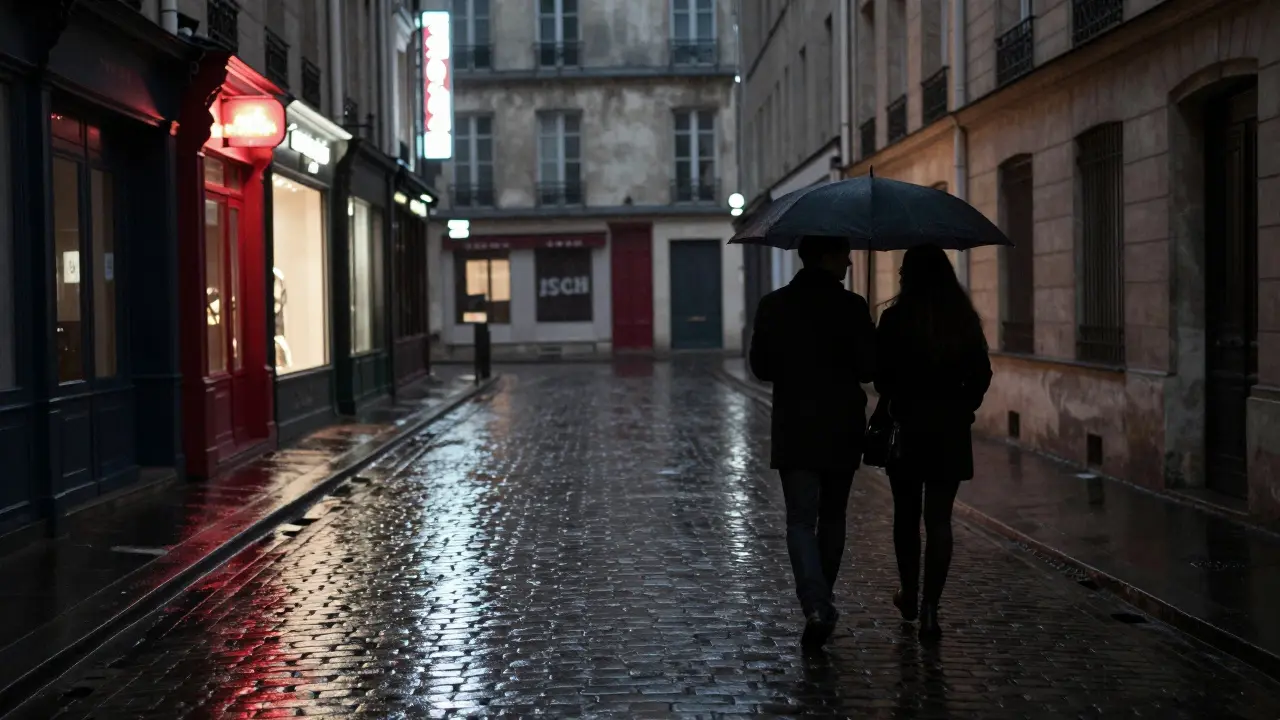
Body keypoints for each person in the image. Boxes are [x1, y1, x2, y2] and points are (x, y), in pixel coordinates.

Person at [749, 235, 876, 649]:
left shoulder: (774, 305)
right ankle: (821, 600)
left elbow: (761, 367)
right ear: (826, 257)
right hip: (842, 426)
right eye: (845, 254)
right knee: (833, 516)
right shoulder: (853, 307)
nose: (851, 262)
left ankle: (816, 604)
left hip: (796, 425)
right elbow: (867, 369)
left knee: (801, 520)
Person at [873, 244, 992, 641]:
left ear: (909, 277)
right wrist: (964, 407)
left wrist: (897, 395)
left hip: (907, 429)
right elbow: (981, 373)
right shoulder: (962, 321)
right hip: (949, 431)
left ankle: (909, 593)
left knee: (906, 517)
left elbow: (881, 380)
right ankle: (929, 611)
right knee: (939, 520)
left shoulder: (894, 320)